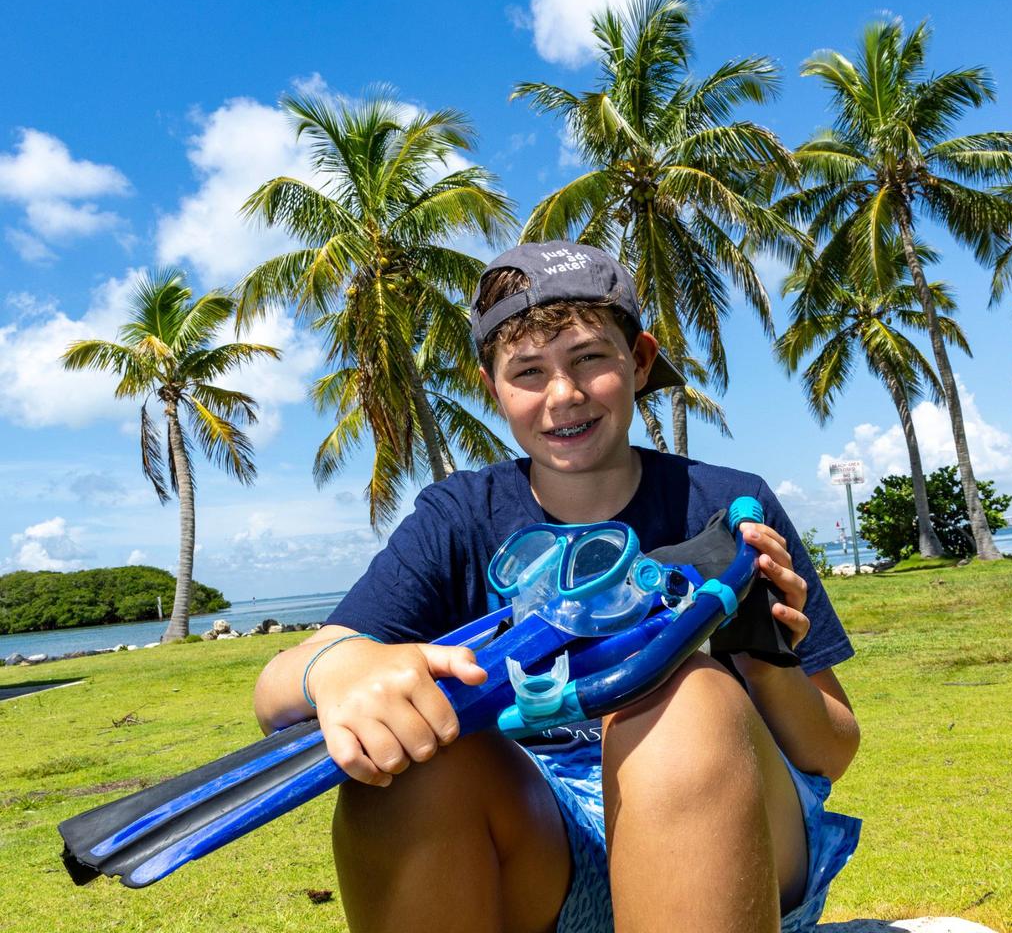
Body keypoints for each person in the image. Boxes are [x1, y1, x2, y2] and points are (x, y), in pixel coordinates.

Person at [253, 241, 861, 933]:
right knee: (413, 765)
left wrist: (764, 655)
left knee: (685, 698)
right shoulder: (460, 518)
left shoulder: (727, 509)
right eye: (529, 372)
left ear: (637, 360)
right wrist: (339, 668)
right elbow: (277, 688)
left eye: (590, 359)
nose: (563, 395)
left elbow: (832, 749)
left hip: (735, 842)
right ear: (492, 387)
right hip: (547, 847)